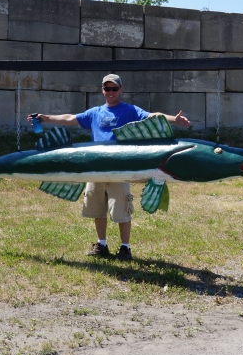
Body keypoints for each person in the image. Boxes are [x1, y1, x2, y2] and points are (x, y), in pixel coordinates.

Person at [28, 74, 191, 261]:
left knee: (122, 208)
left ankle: (125, 248)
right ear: (102, 90)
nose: (111, 92)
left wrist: (174, 120)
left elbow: (152, 116)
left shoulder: (130, 110)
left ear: (121, 90)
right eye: (107, 89)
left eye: (114, 89)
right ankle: (102, 244)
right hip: (96, 167)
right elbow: (70, 118)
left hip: (120, 169)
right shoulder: (95, 113)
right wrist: (46, 118)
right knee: (97, 207)